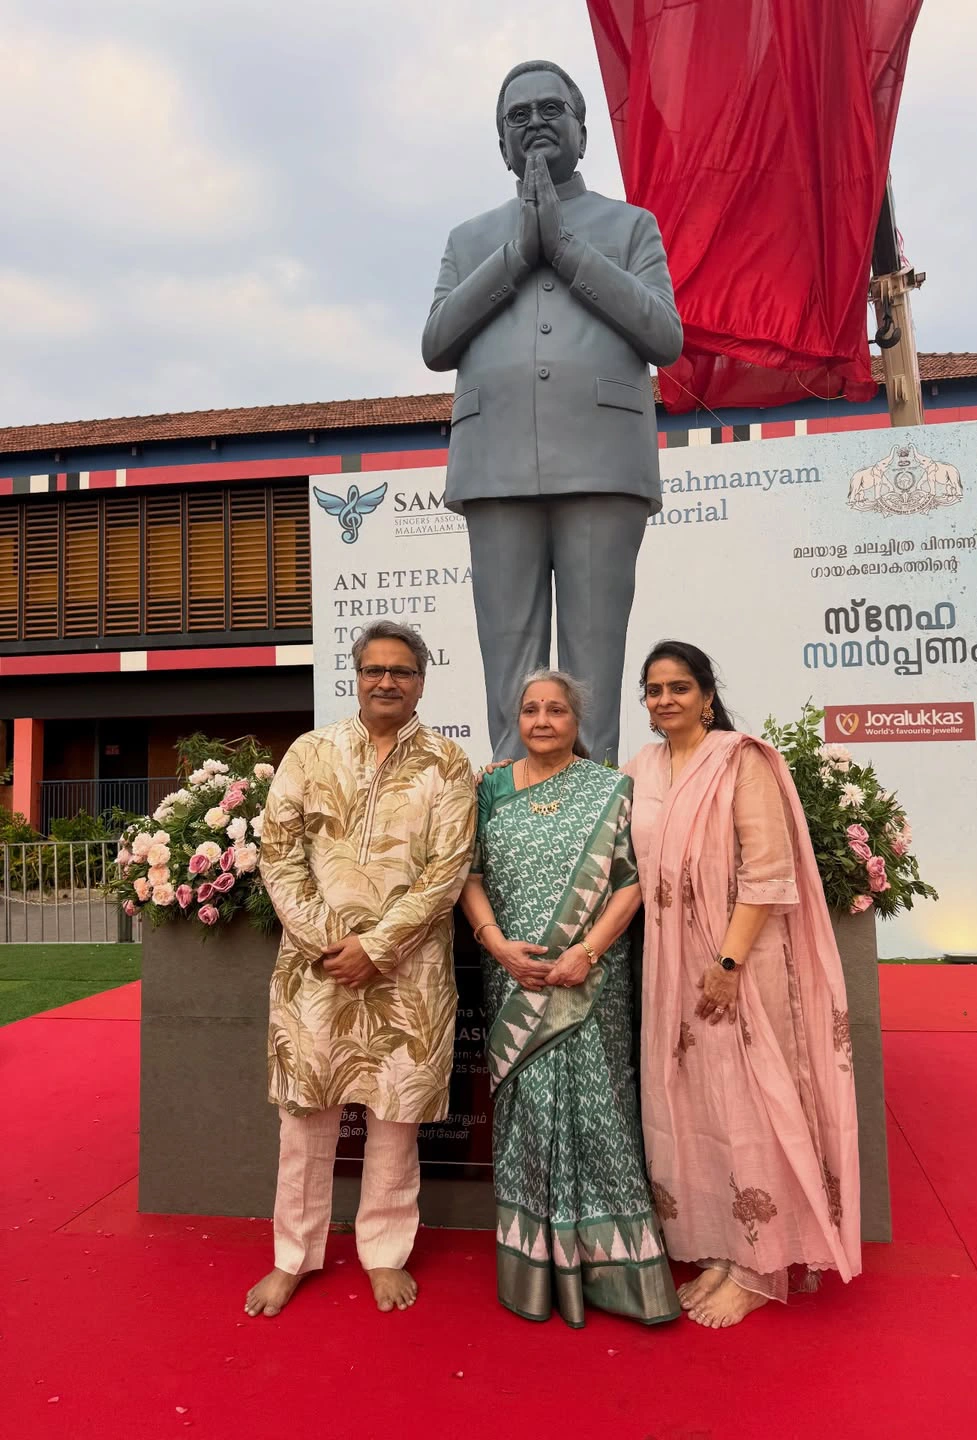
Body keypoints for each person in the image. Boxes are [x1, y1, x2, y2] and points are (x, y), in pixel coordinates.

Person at [422, 60, 683, 766]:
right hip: (494, 463)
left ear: (581, 131)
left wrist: (563, 249)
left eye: (549, 109)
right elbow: (436, 343)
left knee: (593, 653)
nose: (534, 123)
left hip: (603, 460)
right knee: (507, 651)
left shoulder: (630, 226)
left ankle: (592, 802)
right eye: (518, 115)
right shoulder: (470, 239)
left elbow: (664, 335)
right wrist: (518, 253)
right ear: (501, 145)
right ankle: (512, 798)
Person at [624, 640, 861, 1329]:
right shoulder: (641, 767)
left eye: (679, 687)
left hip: (737, 961)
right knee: (693, 1107)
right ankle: (724, 1249)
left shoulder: (741, 760)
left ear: (706, 695)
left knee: (751, 1104)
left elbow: (767, 870)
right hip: (669, 964)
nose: (665, 699)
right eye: (654, 689)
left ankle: (761, 1266)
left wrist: (726, 966)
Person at [244, 621, 476, 1319]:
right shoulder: (310, 752)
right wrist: (329, 940)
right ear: (357, 676)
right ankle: (292, 1256)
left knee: (395, 1118)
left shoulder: (447, 763)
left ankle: (384, 1252)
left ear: (421, 682)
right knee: (305, 1120)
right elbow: (278, 854)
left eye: (401, 671)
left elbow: (447, 871)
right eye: (374, 669)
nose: (386, 681)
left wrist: (377, 947)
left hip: (408, 972)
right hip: (316, 972)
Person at [460, 670, 679, 1328]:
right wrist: (496, 944)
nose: (542, 720)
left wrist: (586, 952)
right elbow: (469, 875)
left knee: (598, 1108)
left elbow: (630, 882)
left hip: (591, 981)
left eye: (556, 710)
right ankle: (533, 1271)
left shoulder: (610, 789)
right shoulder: (491, 788)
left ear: (577, 721)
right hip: (513, 980)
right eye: (530, 710)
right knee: (528, 1116)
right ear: (516, 719)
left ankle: (614, 1275)